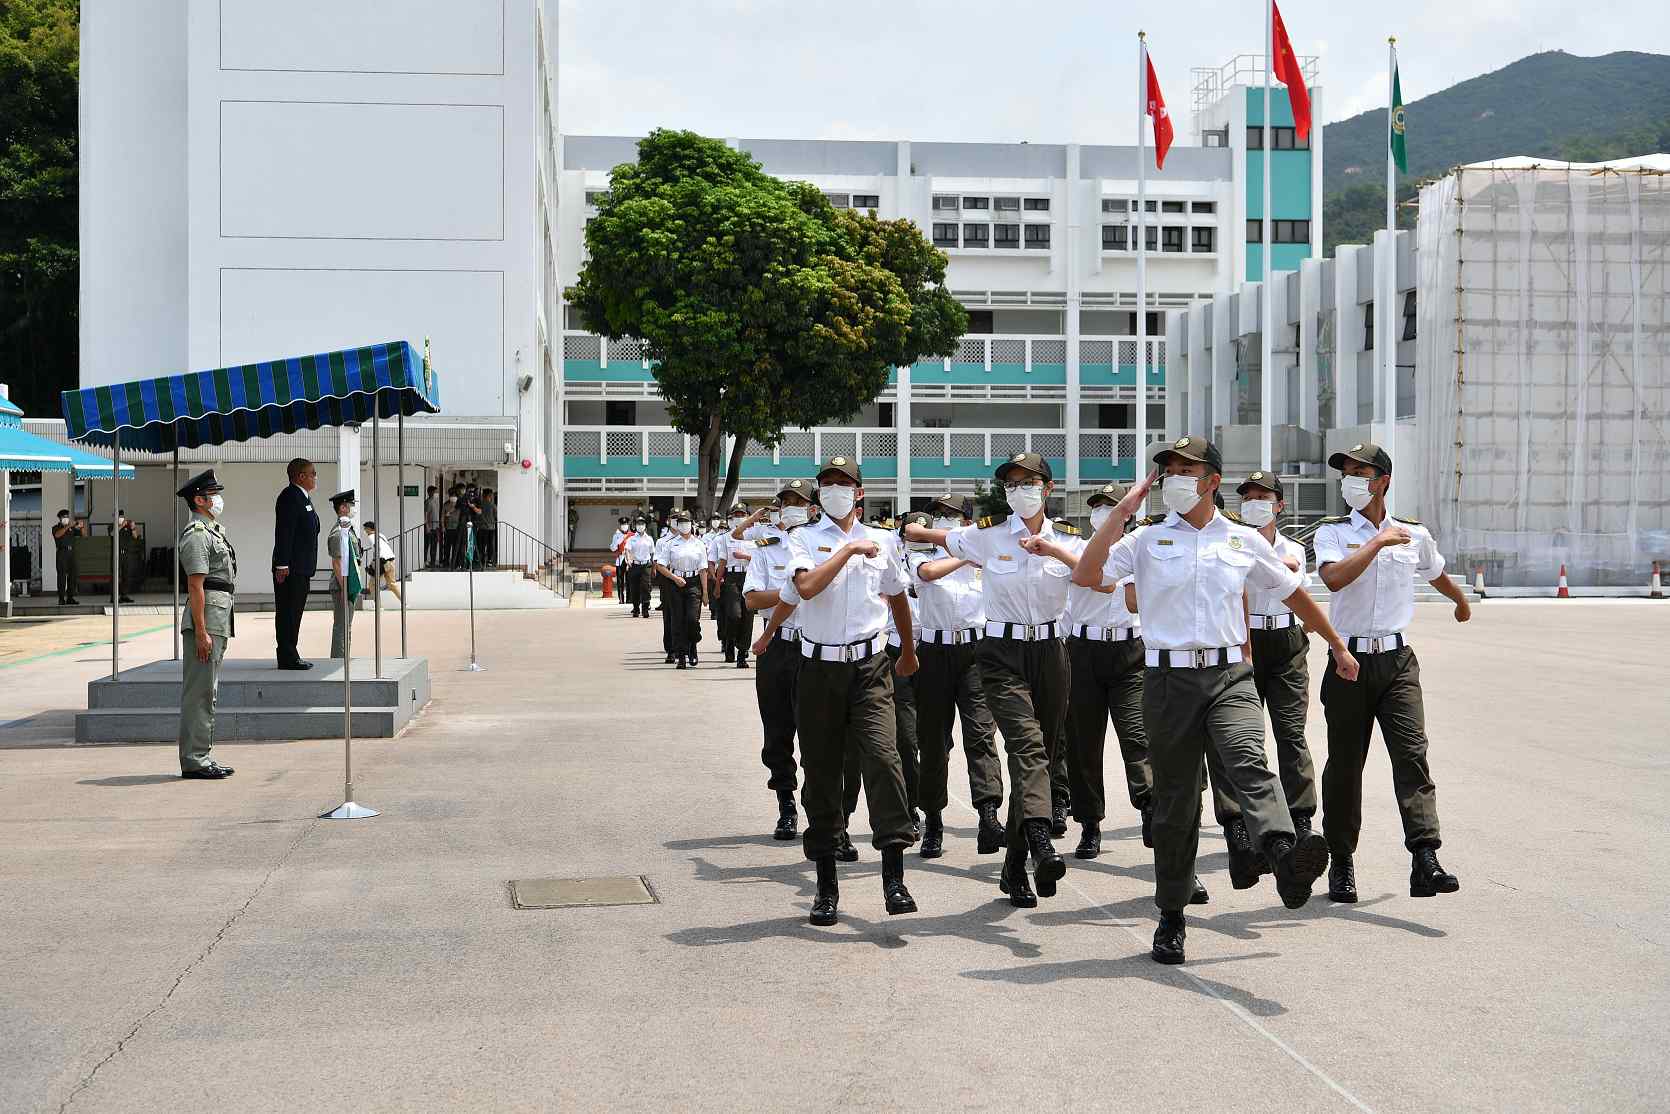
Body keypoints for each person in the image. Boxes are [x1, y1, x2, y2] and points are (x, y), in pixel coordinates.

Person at [1075, 436, 1361, 965]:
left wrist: (1337, 645)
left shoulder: (1242, 540)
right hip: (1167, 681)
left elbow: (1294, 593)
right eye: (1168, 470)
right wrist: (1120, 514)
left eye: (1186, 470)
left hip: (1230, 674)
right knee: (1176, 804)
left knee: (1248, 759)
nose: (1174, 479)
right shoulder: (1145, 540)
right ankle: (1172, 915)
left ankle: (1282, 852)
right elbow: (1087, 575)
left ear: (1211, 481)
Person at [904, 452, 1078, 909]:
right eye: (1011, 483)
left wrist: (1054, 550)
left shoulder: (1069, 540)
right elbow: (939, 539)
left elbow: (1095, 578)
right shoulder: (988, 536)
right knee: (1025, 746)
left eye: (1028, 482)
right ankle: (1039, 838)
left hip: (1050, 652)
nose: (1019, 490)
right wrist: (916, 531)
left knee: (1042, 754)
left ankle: (1014, 864)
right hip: (1000, 653)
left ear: (1048, 488)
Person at [1313, 441, 1470, 903]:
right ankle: (1342, 861)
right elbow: (1333, 579)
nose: (1350, 481)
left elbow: (1434, 571)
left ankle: (1425, 858)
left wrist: (1459, 599)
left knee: (1412, 755)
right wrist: (1377, 542)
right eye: (1346, 473)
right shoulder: (1333, 532)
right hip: (1348, 662)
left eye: (1360, 473)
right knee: (1346, 765)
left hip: (1398, 662)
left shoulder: (1413, 534)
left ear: (1383, 481)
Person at [784, 456, 919, 926]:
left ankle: (894, 877)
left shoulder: (884, 540)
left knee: (883, 759)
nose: (835, 490)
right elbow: (805, 588)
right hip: (818, 669)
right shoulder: (802, 538)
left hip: (869, 667)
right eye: (827, 483)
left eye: (844, 483)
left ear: (859, 493)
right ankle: (826, 885)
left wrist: (908, 651)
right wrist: (847, 551)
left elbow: (897, 594)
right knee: (821, 774)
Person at [904, 497, 1005, 859]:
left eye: (953, 515)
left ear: (966, 521)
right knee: (933, 741)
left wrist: (979, 554)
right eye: (940, 515)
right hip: (934, 652)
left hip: (976, 653)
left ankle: (989, 815)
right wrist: (966, 555)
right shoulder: (921, 553)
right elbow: (927, 575)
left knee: (981, 734)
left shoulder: (987, 557)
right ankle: (933, 820)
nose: (945, 520)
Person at [1061, 483, 1153, 860]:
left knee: (1137, 734)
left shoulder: (1140, 551)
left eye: (1112, 507)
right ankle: (1089, 823)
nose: (1103, 513)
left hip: (1129, 651)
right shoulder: (1076, 549)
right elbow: (1086, 581)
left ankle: (1149, 806)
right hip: (1083, 650)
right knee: (1083, 743)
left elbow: (1129, 595)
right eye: (1098, 507)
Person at [1234, 471, 1318, 841]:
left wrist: (1286, 569)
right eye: (1248, 497)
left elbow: (1301, 592)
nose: (1254, 503)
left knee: (1291, 732)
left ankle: (1300, 816)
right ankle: (1247, 818)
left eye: (1263, 497)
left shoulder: (1295, 549)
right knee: (1243, 737)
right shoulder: (1233, 543)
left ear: (1279, 506)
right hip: (1245, 641)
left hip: (1286, 641)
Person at [739, 481, 814, 839]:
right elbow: (752, 599)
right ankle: (786, 805)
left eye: (799, 501)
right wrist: (792, 591)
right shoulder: (767, 549)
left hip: (816, 646)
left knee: (819, 733)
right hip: (777, 647)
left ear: (813, 508)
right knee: (777, 731)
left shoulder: (824, 546)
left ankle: (823, 814)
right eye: (786, 502)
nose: (792, 507)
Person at [175, 469, 236, 780]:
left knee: (207, 690)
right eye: (213, 495)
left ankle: (200, 755)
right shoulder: (197, 534)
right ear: (199, 500)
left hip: (216, 616)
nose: (218, 499)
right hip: (206, 620)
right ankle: (196, 760)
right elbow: (195, 585)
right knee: (200, 692)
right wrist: (200, 631)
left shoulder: (212, 531)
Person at [272, 458, 320, 670]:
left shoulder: (303, 497)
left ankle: (290, 653)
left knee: (295, 611)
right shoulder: (290, 497)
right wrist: (282, 564)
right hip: (290, 568)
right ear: (301, 476)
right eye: (313, 473)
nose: (315, 477)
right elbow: (285, 532)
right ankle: (287, 656)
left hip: (301, 567)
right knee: (288, 612)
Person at [654, 510, 708, 669]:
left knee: (692, 619)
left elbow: (703, 569)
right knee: (678, 620)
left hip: (694, 582)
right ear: (677, 525)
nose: (684, 525)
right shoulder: (670, 543)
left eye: (686, 522)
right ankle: (682, 655)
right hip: (676, 583)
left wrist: (705, 593)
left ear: (692, 524)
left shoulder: (699, 544)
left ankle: (693, 645)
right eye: (681, 522)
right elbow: (660, 565)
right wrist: (674, 578)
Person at [714, 503, 756, 667]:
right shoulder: (726, 537)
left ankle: (742, 654)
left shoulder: (754, 535)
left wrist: (745, 557)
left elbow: (761, 559)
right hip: (731, 577)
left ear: (747, 517)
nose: (739, 518)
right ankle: (729, 641)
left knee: (747, 616)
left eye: (742, 515)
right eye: (736, 515)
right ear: (731, 518)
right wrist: (717, 585)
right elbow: (722, 562)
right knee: (734, 614)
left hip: (749, 576)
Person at [326, 490, 365, 659]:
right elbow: (337, 562)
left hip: (348, 584)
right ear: (342, 508)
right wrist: (344, 588)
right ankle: (339, 661)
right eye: (350, 505)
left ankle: (344, 659)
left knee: (346, 625)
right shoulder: (338, 533)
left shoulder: (347, 529)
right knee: (342, 626)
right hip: (342, 585)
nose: (353, 508)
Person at [624, 516, 656, 617]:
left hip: (646, 565)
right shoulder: (631, 539)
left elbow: (652, 553)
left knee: (646, 587)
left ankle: (645, 608)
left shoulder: (649, 539)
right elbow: (627, 550)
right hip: (635, 565)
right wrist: (628, 559)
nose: (640, 526)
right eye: (638, 524)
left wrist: (654, 567)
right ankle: (636, 608)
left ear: (645, 526)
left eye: (642, 524)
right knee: (635, 588)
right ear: (635, 526)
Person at [362, 521, 400, 600]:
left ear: (369, 529)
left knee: (372, 584)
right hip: (391, 560)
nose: (364, 531)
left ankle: (378, 605)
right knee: (392, 584)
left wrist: (373, 563)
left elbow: (377, 549)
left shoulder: (371, 537)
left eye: (365, 529)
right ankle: (404, 603)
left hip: (382, 562)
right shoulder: (381, 535)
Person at [51, 508, 80, 605]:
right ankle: (61, 598)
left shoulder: (72, 528)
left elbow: (83, 534)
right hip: (62, 553)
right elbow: (57, 535)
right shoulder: (56, 527)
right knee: (62, 576)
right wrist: (68, 526)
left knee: (73, 575)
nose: (66, 518)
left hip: (72, 553)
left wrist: (81, 527)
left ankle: (70, 597)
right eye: (64, 517)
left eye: (67, 517)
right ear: (60, 518)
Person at [479, 488, 498, 567]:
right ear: (489, 495)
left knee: (482, 545)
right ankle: (489, 560)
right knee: (490, 545)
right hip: (491, 528)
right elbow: (496, 516)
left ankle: (482, 560)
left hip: (482, 528)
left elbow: (479, 515)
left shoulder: (480, 505)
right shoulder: (493, 505)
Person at [424, 485, 441, 569]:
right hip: (429, 527)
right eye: (435, 492)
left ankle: (433, 562)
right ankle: (425, 561)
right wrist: (427, 526)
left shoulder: (436, 501)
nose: (436, 493)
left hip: (436, 527)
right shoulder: (427, 502)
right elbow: (425, 514)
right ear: (430, 492)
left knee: (434, 545)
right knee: (427, 545)